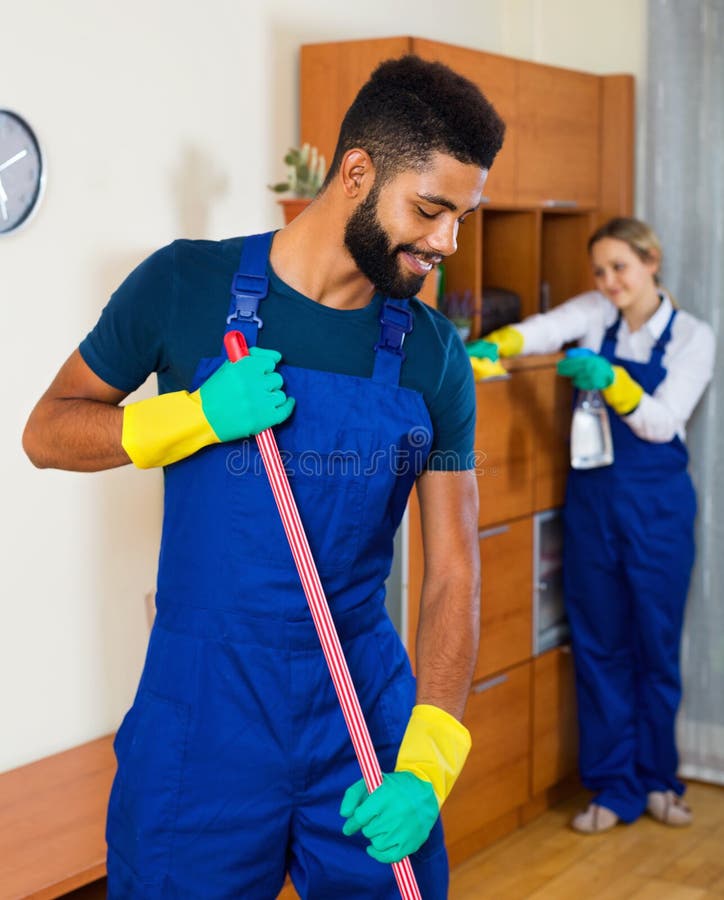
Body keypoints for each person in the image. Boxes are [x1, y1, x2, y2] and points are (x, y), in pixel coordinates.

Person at [23, 56, 505, 897]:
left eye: (462, 216)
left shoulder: (434, 356)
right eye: (430, 211)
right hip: (202, 716)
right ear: (356, 173)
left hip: (360, 713)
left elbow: (454, 572)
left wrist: (430, 758)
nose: (446, 243)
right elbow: (47, 430)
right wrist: (194, 417)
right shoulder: (184, 286)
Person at [468, 217, 714, 835]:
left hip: (657, 513)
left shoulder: (693, 337)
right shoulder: (595, 315)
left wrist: (617, 385)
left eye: (620, 268)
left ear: (651, 260)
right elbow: (542, 329)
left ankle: (658, 778)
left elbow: (663, 421)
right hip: (593, 507)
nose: (609, 282)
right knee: (599, 645)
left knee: (653, 647)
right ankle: (612, 787)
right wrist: (497, 346)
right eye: (600, 271)